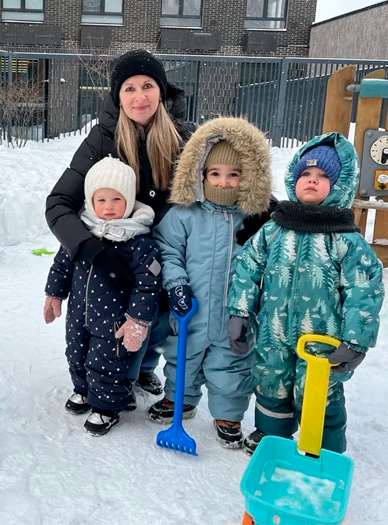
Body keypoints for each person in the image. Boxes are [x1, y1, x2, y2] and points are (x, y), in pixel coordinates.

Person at [46, 49, 274, 398]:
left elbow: (227, 172)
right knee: (116, 316)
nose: (140, 97)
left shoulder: (186, 137)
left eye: (148, 86)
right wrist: (92, 250)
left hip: (171, 246)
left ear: (161, 90)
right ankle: (117, 376)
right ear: (118, 96)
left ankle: (145, 367)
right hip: (119, 248)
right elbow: (59, 203)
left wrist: (265, 210)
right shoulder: (102, 139)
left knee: (162, 316)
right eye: (129, 88)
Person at [227, 132, 384, 455]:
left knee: (319, 391)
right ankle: (271, 434)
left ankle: (323, 447)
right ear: (293, 179)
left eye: (323, 176)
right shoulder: (274, 229)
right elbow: (247, 269)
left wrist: (356, 340)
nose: (312, 180)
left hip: (322, 338)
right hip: (273, 331)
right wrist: (239, 311)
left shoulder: (345, 239)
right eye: (306, 174)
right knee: (271, 381)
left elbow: (364, 291)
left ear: (340, 185)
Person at [151, 117, 272, 448]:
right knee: (182, 357)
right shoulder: (185, 213)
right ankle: (180, 399)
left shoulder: (255, 221)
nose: (224, 181)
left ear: (249, 177)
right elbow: (168, 250)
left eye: (234, 175)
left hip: (235, 313)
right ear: (200, 174)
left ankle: (227, 414)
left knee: (232, 365)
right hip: (191, 308)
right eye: (215, 173)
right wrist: (176, 285)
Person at [44, 157, 162, 436]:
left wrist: (138, 320)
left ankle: (107, 407)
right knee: (76, 352)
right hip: (78, 314)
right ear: (90, 201)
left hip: (114, 321)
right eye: (102, 200)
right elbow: (62, 264)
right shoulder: (82, 233)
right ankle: (83, 390)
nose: (109, 206)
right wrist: (54, 294)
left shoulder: (138, 242)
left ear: (129, 201)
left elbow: (148, 285)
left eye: (117, 199)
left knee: (107, 361)